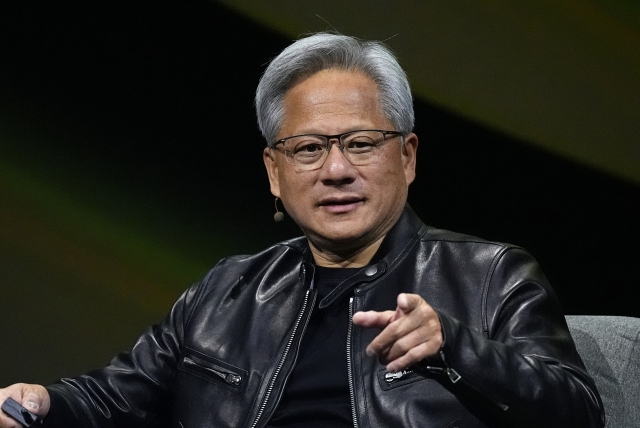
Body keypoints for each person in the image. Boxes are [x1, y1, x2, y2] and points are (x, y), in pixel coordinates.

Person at [0, 33, 604, 428]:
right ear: (274, 172)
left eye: (363, 144)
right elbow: (113, 397)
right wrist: (42, 403)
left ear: (409, 156)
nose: (337, 170)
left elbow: (579, 411)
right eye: (309, 148)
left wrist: (455, 346)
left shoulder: (491, 275)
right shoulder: (229, 290)